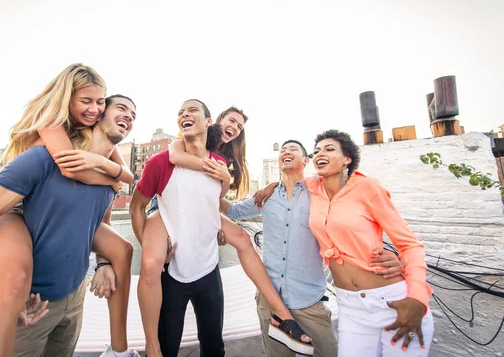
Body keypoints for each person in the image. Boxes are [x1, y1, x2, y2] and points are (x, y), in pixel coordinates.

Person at [0, 63, 138, 357]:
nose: (94, 108)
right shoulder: (44, 154)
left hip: (74, 299)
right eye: (120, 107)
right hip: (32, 306)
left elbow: (102, 222)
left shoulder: (110, 180)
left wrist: (103, 264)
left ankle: (120, 350)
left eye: (99, 102)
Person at [130, 100, 311, 357]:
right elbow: (171, 157)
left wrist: (239, 181)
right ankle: (153, 347)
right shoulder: (173, 154)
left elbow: (217, 198)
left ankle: (281, 315)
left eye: (238, 126)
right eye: (231, 121)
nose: (233, 127)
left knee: (241, 238)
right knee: (151, 265)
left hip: (203, 215)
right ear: (216, 121)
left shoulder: (223, 159)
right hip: (164, 209)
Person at [222, 140, 404, 357]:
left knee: (328, 352)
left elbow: (352, 218)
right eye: (283, 150)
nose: (286, 152)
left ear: (306, 161)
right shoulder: (266, 197)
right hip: (269, 298)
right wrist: (208, 190)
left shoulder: (320, 192)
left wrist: (397, 255)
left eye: (293, 150)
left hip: (309, 300)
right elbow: (232, 211)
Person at [308, 129, 434, 357]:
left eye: (329, 149)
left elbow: (410, 245)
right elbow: (287, 183)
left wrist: (417, 298)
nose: (319, 153)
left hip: (393, 303)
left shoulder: (367, 187)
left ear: (347, 159)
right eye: (316, 150)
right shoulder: (312, 188)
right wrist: (270, 187)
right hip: (350, 308)